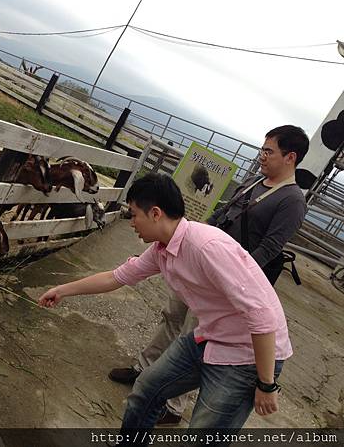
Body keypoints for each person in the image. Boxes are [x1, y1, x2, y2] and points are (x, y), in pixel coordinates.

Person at [38, 173, 292, 434]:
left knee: (204, 434)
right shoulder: (162, 248)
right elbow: (116, 277)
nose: (131, 222)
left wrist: (266, 384)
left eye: (134, 214)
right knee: (147, 389)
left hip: (248, 355)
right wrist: (62, 290)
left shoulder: (207, 246)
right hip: (211, 336)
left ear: (156, 213)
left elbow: (262, 318)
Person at [108, 125, 309, 425]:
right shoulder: (256, 182)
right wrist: (194, 237)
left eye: (269, 151)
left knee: (195, 334)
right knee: (172, 317)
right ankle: (145, 370)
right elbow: (222, 213)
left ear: (290, 157)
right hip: (198, 262)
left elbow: (269, 247)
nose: (261, 156)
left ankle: (173, 406)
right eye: (262, 149)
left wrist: (229, 276)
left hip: (225, 280)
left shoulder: (292, 201)